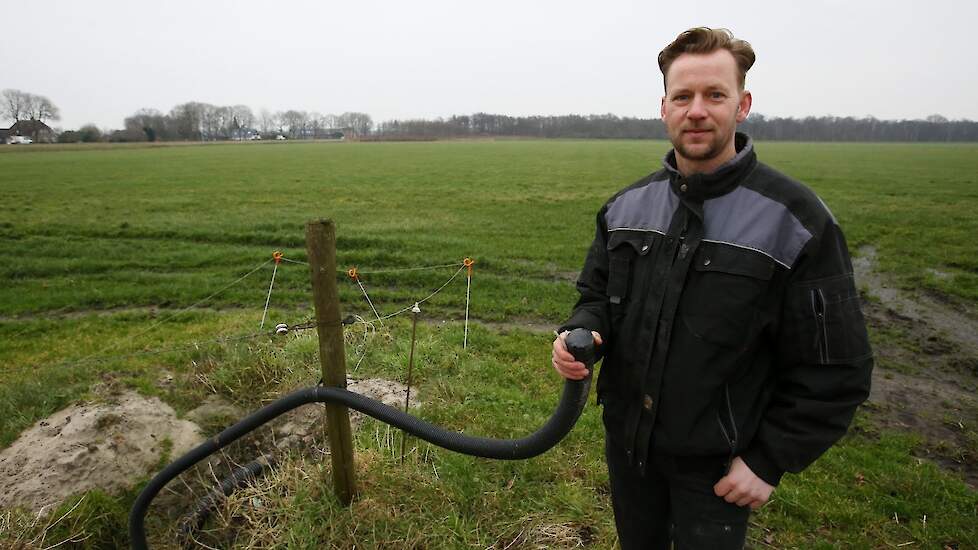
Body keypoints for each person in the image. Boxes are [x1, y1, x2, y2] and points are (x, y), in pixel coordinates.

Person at [551, 27, 873, 549]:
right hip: (630, 449)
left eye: (714, 95)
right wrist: (579, 332)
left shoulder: (796, 222)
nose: (696, 110)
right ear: (664, 108)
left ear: (742, 104)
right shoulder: (624, 209)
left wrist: (769, 461)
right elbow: (595, 296)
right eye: (683, 96)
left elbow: (839, 367)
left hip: (719, 470)